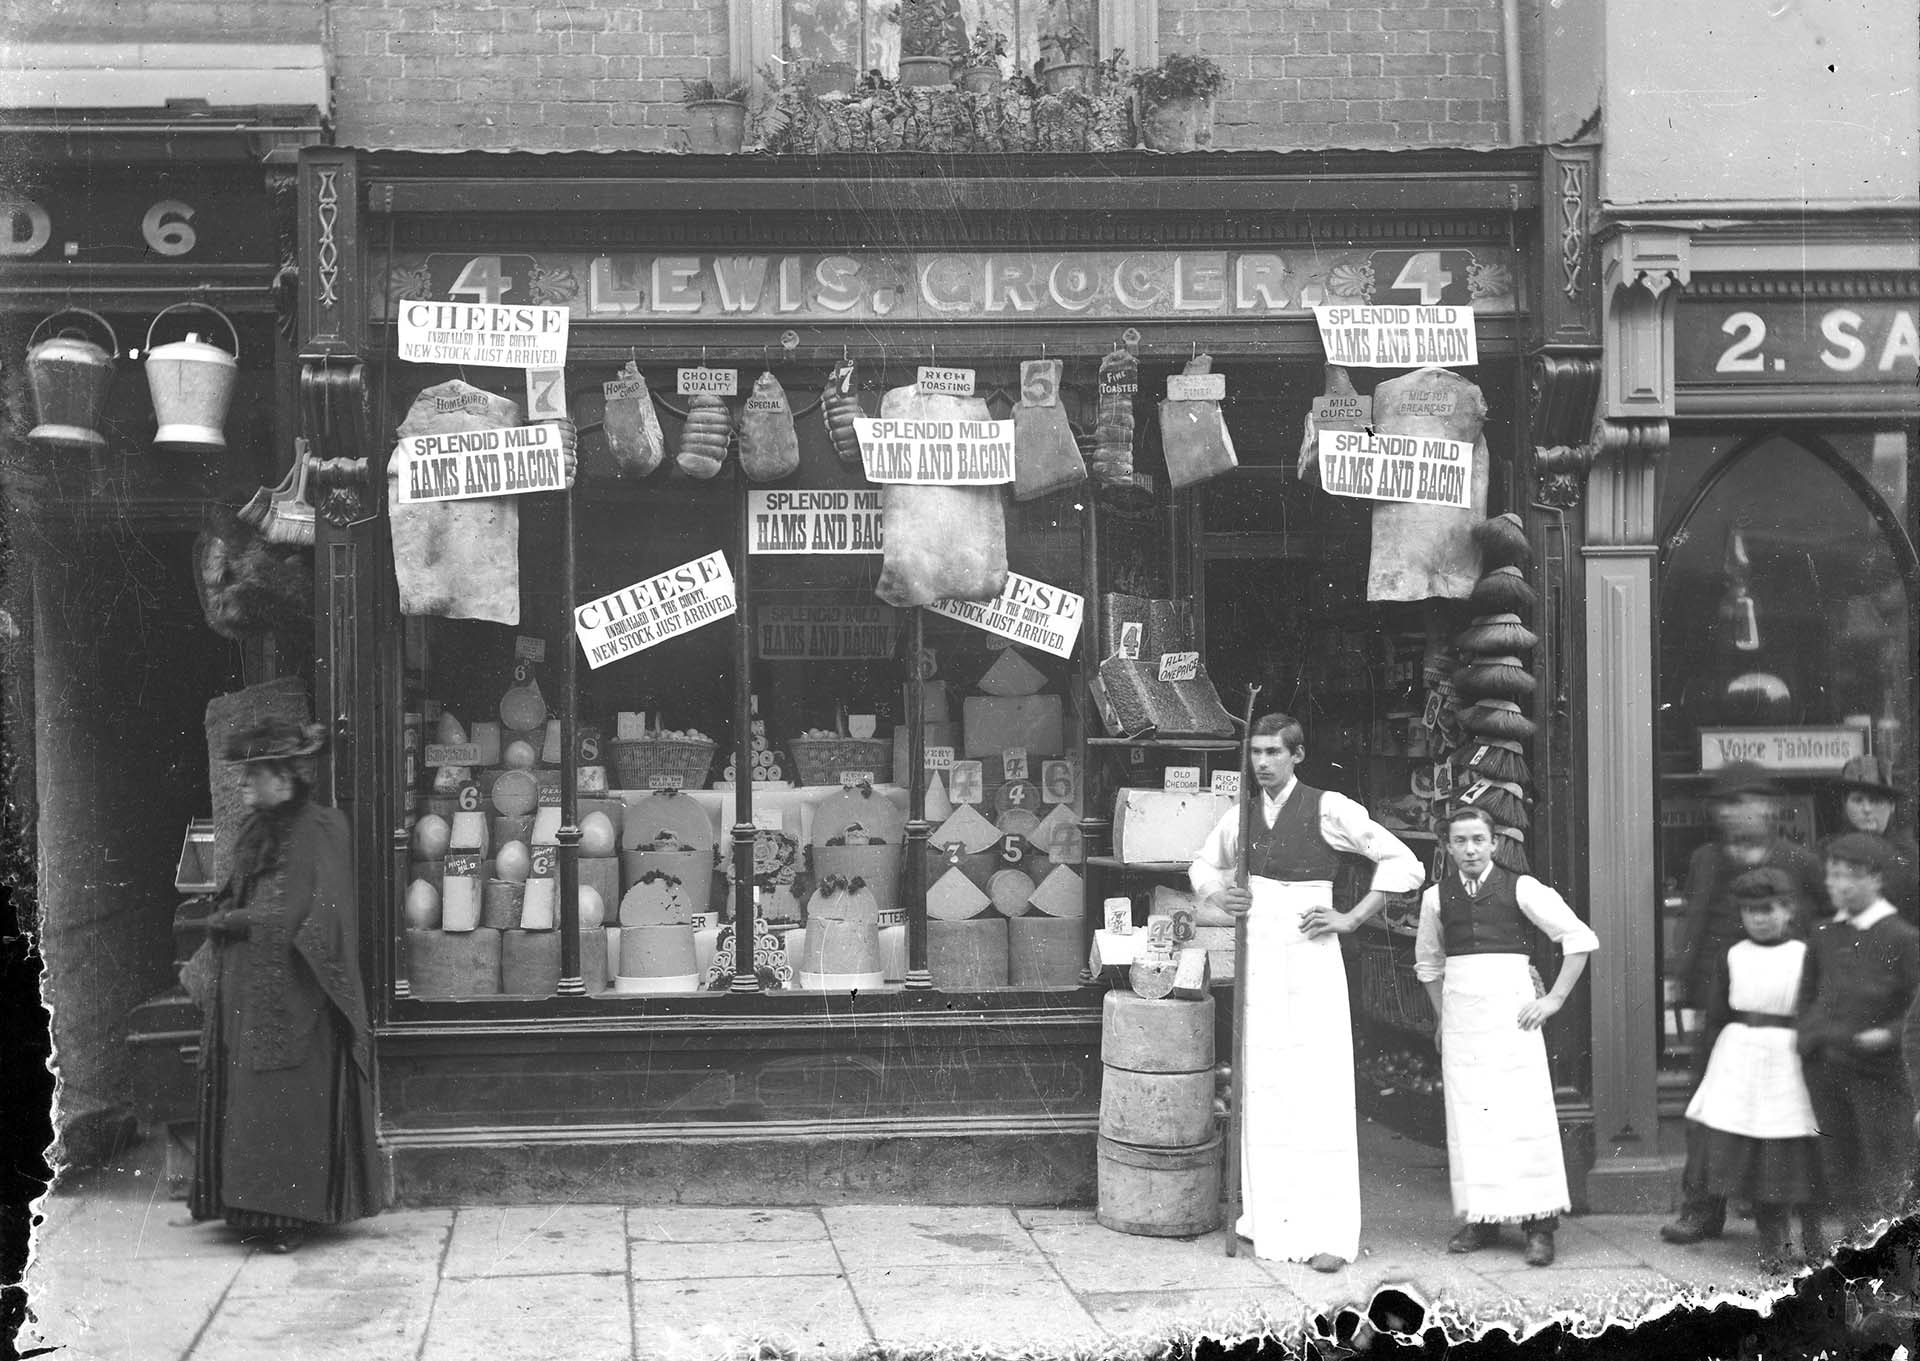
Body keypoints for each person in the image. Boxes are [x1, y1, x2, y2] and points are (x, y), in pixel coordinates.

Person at [1190, 712, 1424, 1272]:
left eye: (1273, 752)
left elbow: (1405, 863)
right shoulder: (1240, 815)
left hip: (1311, 952)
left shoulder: (1329, 806)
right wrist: (1223, 897)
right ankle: (1269, 1221)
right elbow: (1203, 864)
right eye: (1255, 753)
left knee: (1316, 1084)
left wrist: (1351, 918)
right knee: (1265, 1082)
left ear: (1297, 755)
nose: (1262, 763)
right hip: (1259, 957)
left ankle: (1326, 1233)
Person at [187, 716, 384, 1252]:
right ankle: (249, 1210)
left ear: (286, 776)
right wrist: (230, 917)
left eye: (254, 773)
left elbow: (320, 914)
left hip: (300, 992)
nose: (244, 784)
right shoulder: (258, 830)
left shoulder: (323, 828)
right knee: (250, 1100)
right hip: (248, 991)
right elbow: (243, 893)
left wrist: (242, 922)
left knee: (286, 1100)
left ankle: (289, 1217)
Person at [1414, 806, 1596, 1268]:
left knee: (1522, 1114)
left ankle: (1539, 1227)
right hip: (1462, 1020)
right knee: (1470, 1117)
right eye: (1460, 841)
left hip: (1512, 1015)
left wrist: (1552, 999)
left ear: (1494, 843)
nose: (1470, 849)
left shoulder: (1522, 888)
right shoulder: (1436, 898)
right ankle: (1483, 1218)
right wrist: (1441, 1019)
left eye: (1478, 839)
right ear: (1448, 847)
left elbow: (1577, 938)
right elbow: (1429, 965)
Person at [1661, 762, 1825, 1245]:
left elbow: (1824, 929)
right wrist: (1683, 978)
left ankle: (1770, 1201)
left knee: (1779, 1108)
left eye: (1745, 802)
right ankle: (1701, 1209)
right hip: (1721, 1007)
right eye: (1726, 804)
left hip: (1777, 1007)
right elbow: (1693, 921)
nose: (1735, 813)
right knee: (1709, 1107)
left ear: (1769, 807)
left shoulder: (1799, 862)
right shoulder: (1706, 858)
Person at [1681, 867, 1825, 1269]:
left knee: (1794, 1149)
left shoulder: (1805, 953)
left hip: (1790, 1058)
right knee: (1753, 1154)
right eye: (1750, 911)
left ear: (1789, 910)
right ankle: (1773, 1240)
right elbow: (1717, 1013)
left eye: (1767, 909)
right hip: (1741, 1056)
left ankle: (1813, 1239)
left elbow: (1817, 1007)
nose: (1758, 919)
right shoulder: (1733, 955)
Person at [1797, 832, 1919, 1238]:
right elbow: (1808, 993)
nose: (1839, 885)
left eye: (1850, 875)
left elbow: (1914, 1010)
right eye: (1833, 875)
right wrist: (1810, 1038)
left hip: (1879, 1075)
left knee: (1882, 1164)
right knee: (1839, 1163)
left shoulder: (1902, 938)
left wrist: (1888, 1034)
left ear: (1876, 879)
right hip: (1827, 1068)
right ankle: (1854, 1246)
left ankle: (1882, 1256)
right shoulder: (1824, 934)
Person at [1833, 754, 1916, 925]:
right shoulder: (1827, 852)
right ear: (1844, 804)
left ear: (1892, 806)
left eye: (1876, 800)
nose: (1867, 809)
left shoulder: (1911, 858)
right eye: (1857, 800)